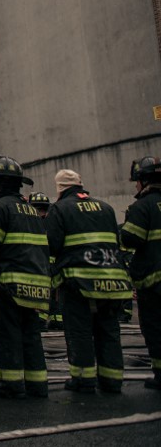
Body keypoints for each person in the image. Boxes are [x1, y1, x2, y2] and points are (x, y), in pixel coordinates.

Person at [47, 169, 131, 394]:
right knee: (109, 331)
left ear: (59, 188)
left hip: (78, 283)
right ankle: (112, 380)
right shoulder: (106, 208)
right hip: (112, 280)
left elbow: (52, 244)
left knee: (80, 331)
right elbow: (116, 241)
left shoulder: (60, 209)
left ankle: (83, 380)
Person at [0, 156, 50, 399]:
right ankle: (37, 383)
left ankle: (10, 384)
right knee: (31, 335)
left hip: (7, 284)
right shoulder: (30, 210)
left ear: (0, 182)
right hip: (35, 283)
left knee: (6, 335)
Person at [120, 156, 161, 390]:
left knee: (156, 329)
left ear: (143, 181)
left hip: (154, 283)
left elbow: (130, 238)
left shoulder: (142, 206)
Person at [28, 192, 63, 331]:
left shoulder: (31, 222)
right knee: (55, 293)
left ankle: (42, 320)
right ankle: (57, 320)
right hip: (55, 264)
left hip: (40, 265)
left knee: (43, 292)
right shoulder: (53, 221)